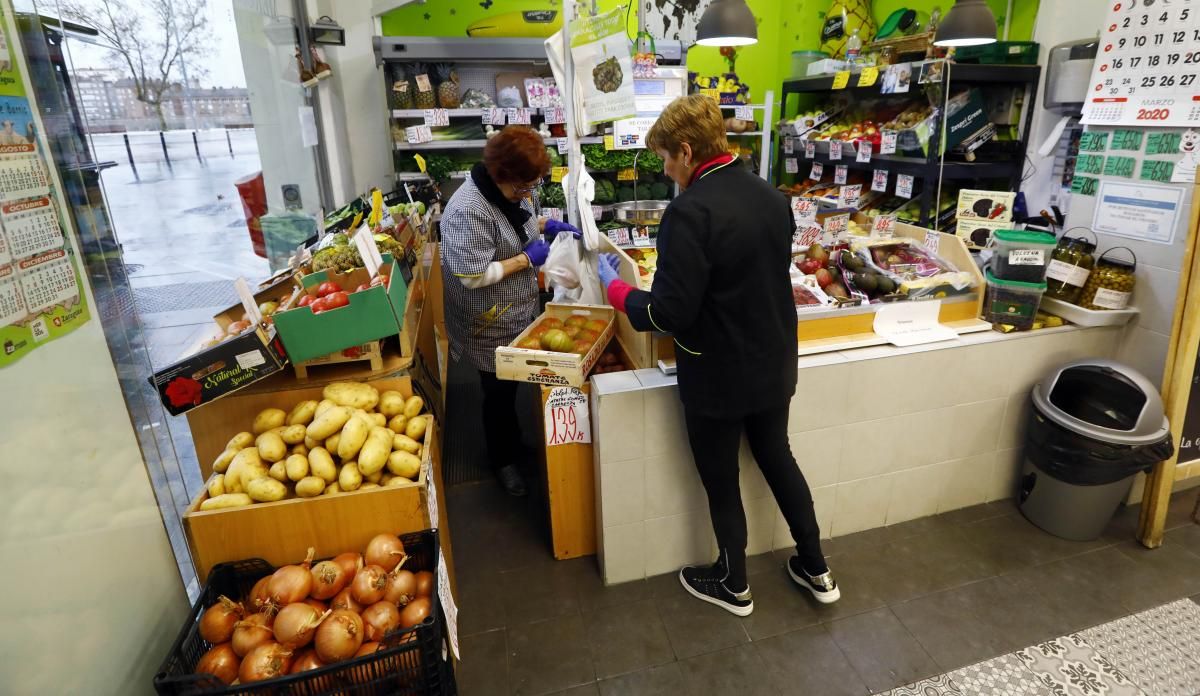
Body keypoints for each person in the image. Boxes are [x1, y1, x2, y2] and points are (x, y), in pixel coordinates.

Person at [597, 94, 839, 615]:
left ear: (686, 152)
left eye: (665, 158)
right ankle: (817, 569)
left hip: (717, 373)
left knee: (721, 478)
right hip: (773, 362)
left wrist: (617, 291)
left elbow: (668, 314)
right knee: (778, 458)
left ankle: (733, 584)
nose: (665, 170)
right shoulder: (771, 197)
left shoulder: (689, 212)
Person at [441, 126, 579, 497]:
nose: (528, 193)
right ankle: (502, 461)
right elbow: (472, 276)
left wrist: (549, 225)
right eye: (523, 186)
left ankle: (516, 443)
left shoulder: (514, 191)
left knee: (513, 383)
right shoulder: (467, 210)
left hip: (514, 307)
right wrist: (525, 260)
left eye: (532, 186)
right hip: (485, 316)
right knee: (497, 392)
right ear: (501, 175)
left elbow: (521, 222)